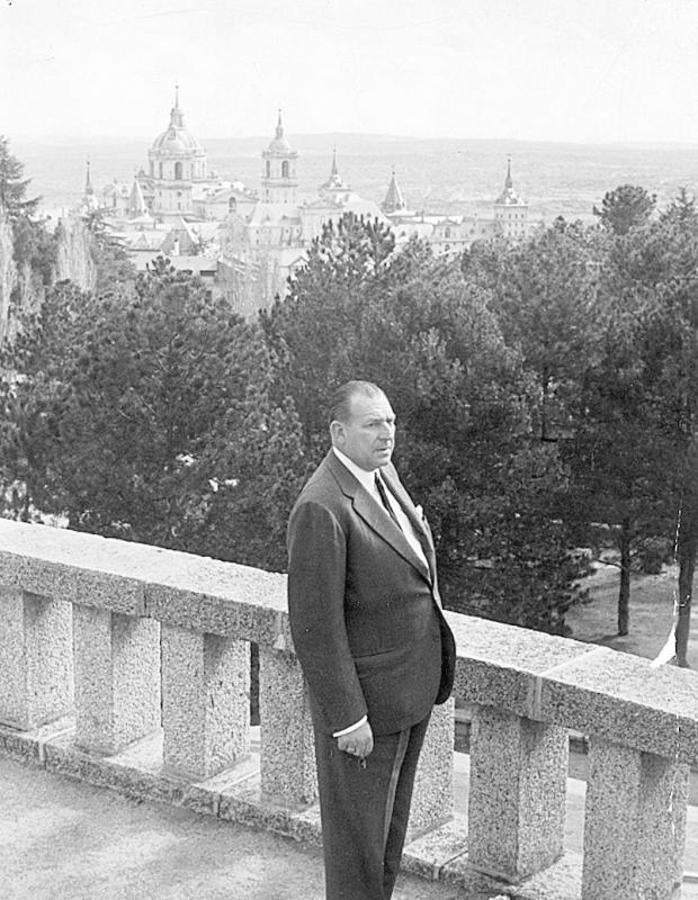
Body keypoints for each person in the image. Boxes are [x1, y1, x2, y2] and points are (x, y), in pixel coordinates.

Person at [287, 380, 456, 899]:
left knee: (386, 838)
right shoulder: (322, 506)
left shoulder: (381, 475)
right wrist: (347, 718)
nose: (388, 434)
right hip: (367, 711)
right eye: (373, 424)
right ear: (339, 432)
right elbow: (314, 626)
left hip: (408, 692)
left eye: (391, 422)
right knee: (357, 848)